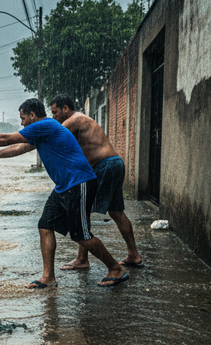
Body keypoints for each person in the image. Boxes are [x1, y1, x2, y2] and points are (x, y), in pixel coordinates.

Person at [0, 98, 129, 288]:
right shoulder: (41, 132)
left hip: (78, 182)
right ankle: (48, 277)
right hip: (63, 186)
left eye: (23, 118)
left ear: (32, 115)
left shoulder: (45, 125)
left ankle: (116, 269)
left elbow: (7, 138)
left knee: (80, 235)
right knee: (45, 225)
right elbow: (18, 148)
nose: (21, 123)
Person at [49, 94, 143, 269]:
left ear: (65, 109)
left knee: (82, 210)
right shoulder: (80, 120)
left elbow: (51, 137)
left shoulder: (73, 120)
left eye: (55, 112)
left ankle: (82, 259)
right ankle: (134, 254)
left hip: (104, 165)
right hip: (114, 163)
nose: (54, 117)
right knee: (116, 212)